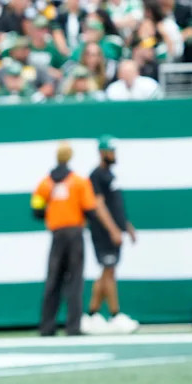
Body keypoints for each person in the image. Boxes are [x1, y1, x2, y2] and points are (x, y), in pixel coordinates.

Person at [31, 142, 122, 336]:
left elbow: (36, 209)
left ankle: (47, 326)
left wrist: (52, 212)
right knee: (74, 280)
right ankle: (73, 326)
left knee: (53, 280)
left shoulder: (45, 183)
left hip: (57, 234)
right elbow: (90, 209)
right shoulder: (79, 182)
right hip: (74, 234)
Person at [83, 136, 140, 334]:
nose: (114, 155)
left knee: (107, 271)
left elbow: (115, 205)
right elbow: (99, 205)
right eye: (111, 151)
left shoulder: (110, 174)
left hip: (113, 230)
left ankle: (91, 315)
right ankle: (115, 315)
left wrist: (126, 226)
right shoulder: (96, 175)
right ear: (102, 152)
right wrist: (113, 229)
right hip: (103, 232)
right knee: (109, 271)